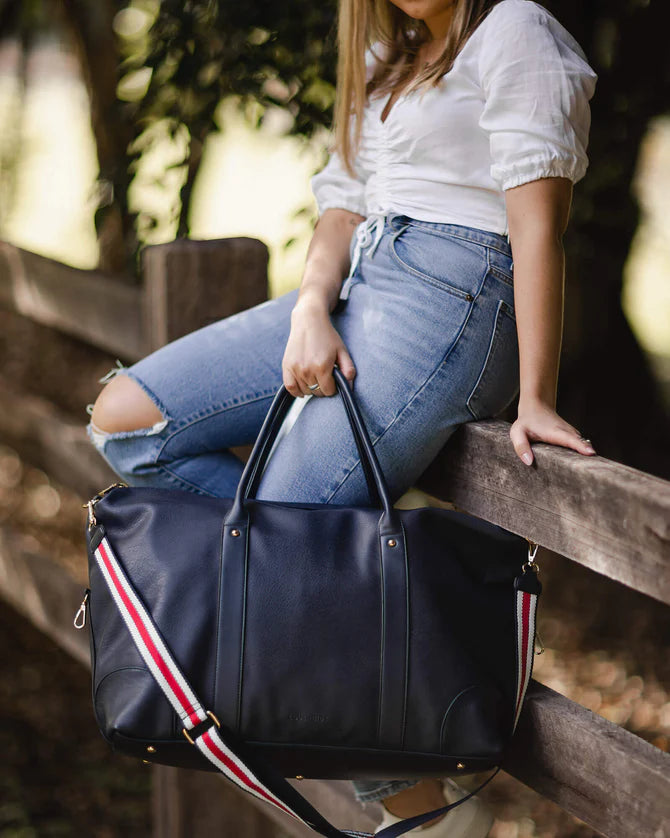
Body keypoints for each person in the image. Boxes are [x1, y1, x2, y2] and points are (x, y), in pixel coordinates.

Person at [85, 0, 598, 834]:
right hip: (357, 285)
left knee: (288, 527)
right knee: (126, 420)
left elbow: (538, 229)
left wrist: (536, 395)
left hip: (455, 293)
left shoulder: (515, 31)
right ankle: (361, 595)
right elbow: (341, 209)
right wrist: (308, 311)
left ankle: (415, 802)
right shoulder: (386, 52)